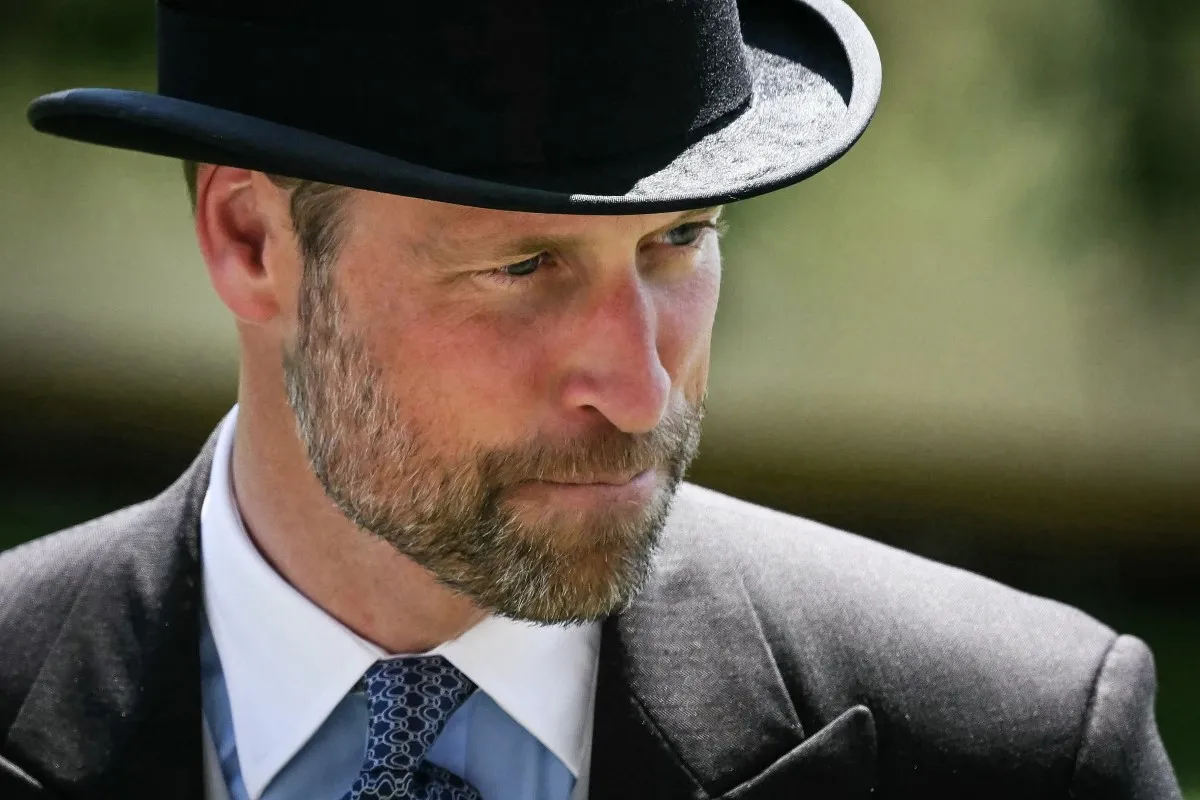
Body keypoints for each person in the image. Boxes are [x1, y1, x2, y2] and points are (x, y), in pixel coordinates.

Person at [0, 0, 1182, 797]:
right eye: (521, 267)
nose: (639, 382)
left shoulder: (1020, 748)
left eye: (678, 241)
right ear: (250, 238)